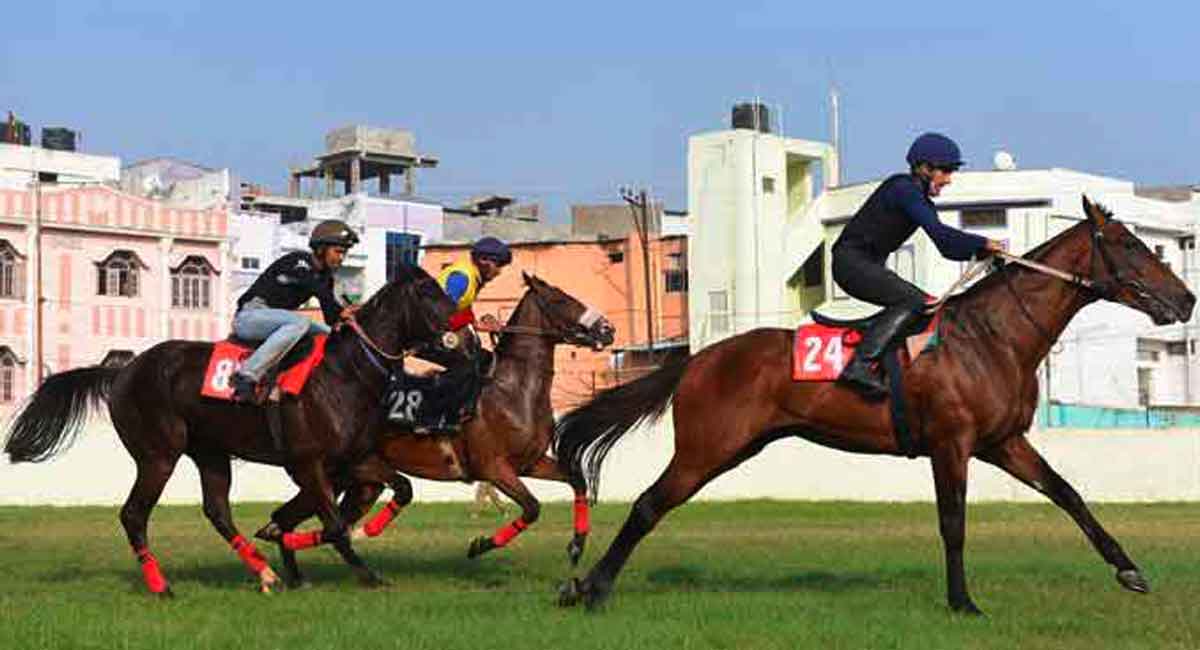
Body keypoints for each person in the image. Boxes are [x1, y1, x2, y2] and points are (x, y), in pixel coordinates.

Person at [831, 132, 1005, 398]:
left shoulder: (919, 199)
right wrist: (982, 242)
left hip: (865, 264)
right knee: (914, 301)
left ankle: (894, 365)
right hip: (851, 264)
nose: (948, 179)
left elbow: (946, 247)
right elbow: (942, 235)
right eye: (945, 171)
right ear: (924, 168)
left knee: (924, 305)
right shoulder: (903, 189)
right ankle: (860, 365)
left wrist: (980, 251)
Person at [230, 220, 359, 403]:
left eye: (344, 253)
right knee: (300, 322)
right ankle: (246, 376)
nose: (341, 258)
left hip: (277, 322)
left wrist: (349, 320)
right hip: (249, 318)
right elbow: (317, 289)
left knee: (329, 335)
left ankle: (295, 383)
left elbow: (331, 317)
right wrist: (340, 310)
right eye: (338, 252)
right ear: (321, 249)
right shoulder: (300, 262)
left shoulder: (325, 278)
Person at [405, 237, 511, 433]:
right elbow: (438, 312)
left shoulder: (472, 277)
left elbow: (461, 307)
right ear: (484, 261)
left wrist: (476, 323)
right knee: (465, 366)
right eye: (498, 265)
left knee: (486, 359)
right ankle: (427, 415)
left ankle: (464, 409)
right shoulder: (461, 277)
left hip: (435, 330)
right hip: (423, 335)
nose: (498, 272)